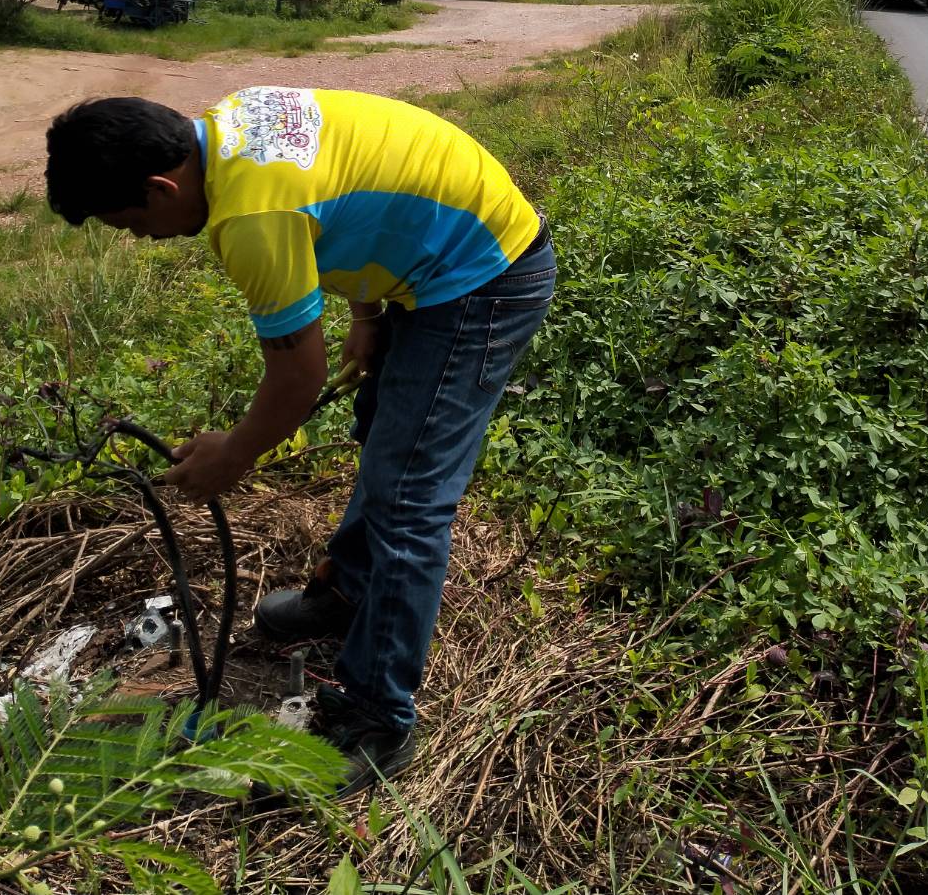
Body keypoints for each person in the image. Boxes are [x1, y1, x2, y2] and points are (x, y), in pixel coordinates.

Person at [44, 87, 555, 794]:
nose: (141, 239)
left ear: (162, 187)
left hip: (483, 277)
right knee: (384, 436)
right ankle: (349, 591)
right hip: (437, 262)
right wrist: (367, 309)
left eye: (130, 223)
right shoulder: (229, 126)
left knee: (410, 497)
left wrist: (233, 453)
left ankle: (379, 713)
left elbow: (297, 377)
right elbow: (350, 194)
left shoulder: (252, 214)